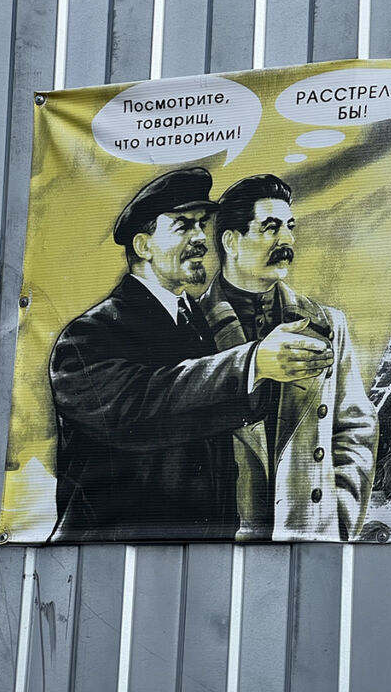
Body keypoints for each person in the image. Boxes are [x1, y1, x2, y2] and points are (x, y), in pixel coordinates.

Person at [47, 166, 328, 542]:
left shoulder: (196, 320)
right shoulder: (88, 336)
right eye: (183, 226)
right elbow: (140, 404)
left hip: (203, 546)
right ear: (144, 246)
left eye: (201, 225)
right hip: (113, 550)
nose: (200, 239)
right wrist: (252, 363)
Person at [199, 174, 378, 541]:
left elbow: (356, 425)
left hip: (310, 534)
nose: (287, 240)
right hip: (222, 540)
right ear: (231, 242)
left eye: (289, 227)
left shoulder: (327, 324)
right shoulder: (189, 326)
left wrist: (339, 520)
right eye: (270, 228)